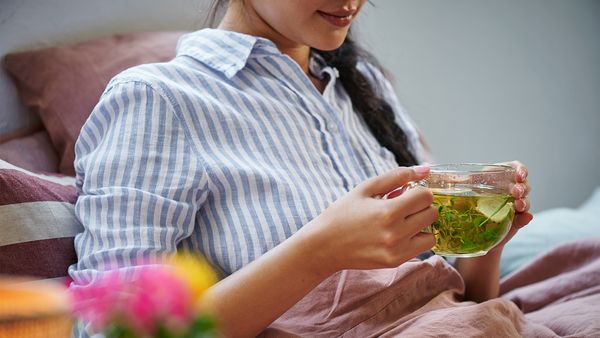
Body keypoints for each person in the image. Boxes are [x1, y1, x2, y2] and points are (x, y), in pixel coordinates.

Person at [70, 0, 532, 336]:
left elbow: (457, 307)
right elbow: (112, 329)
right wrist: (320, 251)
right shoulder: (159, 99)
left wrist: (486, 238)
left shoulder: (363, 87)